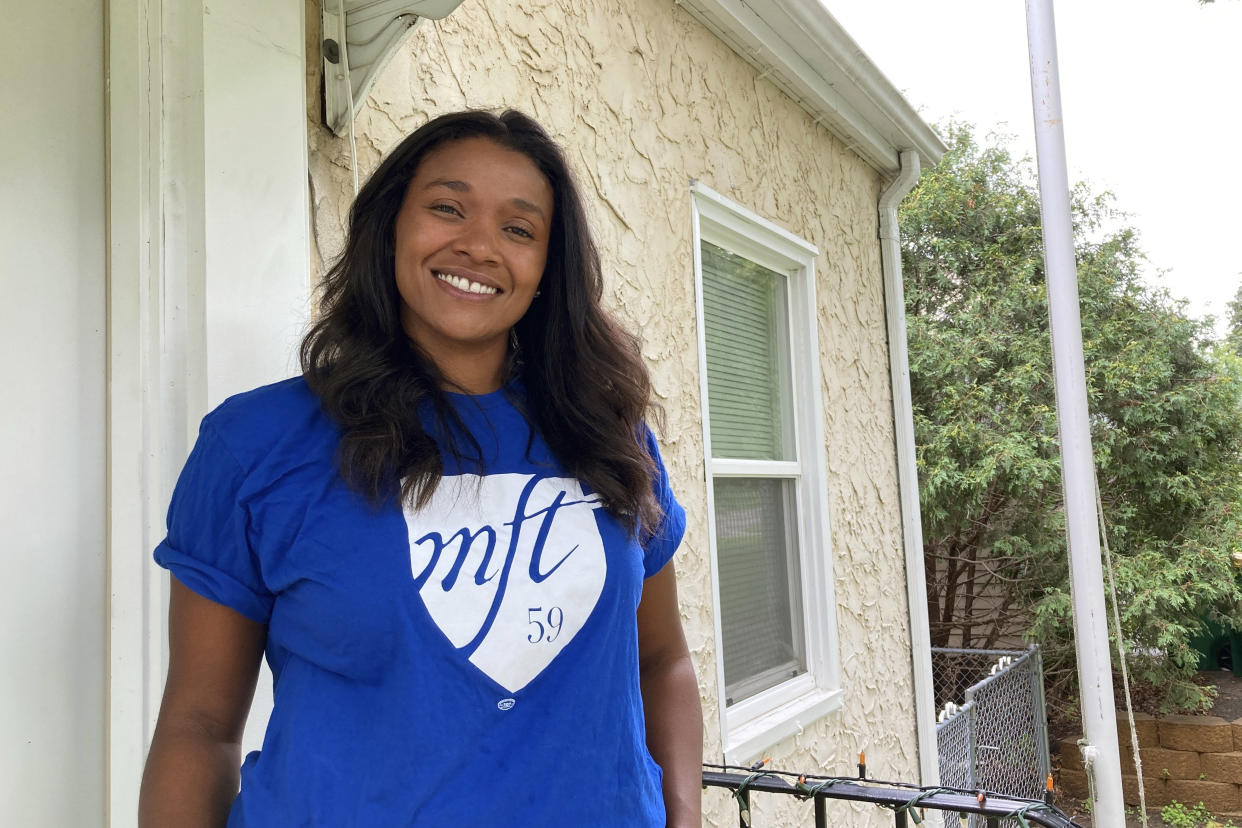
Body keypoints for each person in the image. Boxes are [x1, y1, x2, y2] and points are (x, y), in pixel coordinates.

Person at [138, 109, 703, 827]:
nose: (478, 246)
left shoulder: (605, 434)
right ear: (392, 223)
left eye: (519, 228)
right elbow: (199, 724)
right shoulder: (256, 445)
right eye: (447, 208)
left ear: (546, 269)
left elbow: (664, 662)